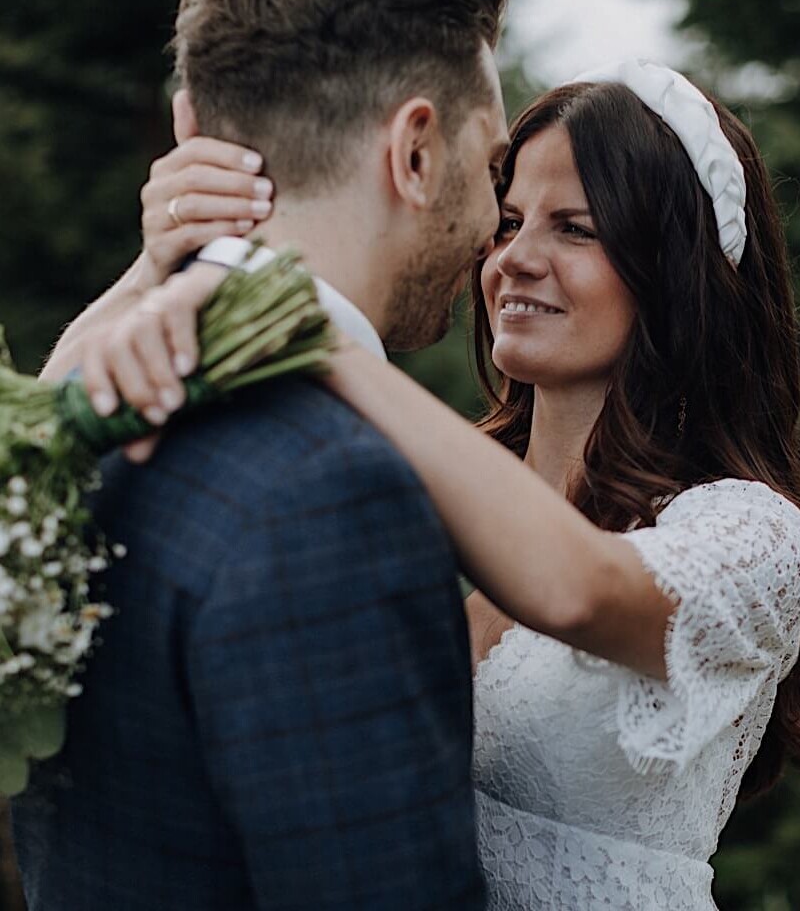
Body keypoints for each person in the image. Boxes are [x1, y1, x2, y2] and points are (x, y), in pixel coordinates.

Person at [64, 60, 800, 909]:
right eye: (511, 220)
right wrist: (154, 272)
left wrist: (301, 319)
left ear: (676, 273)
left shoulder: (756, 535)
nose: (515, 260)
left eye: (576, 229)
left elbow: (577, 587)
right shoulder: (419, 482)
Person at [11, 0, 511, 911]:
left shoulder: (71, 430)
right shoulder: (332, 487)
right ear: (414, 150)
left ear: (190, 123)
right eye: (491, 168)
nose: (497, 222)